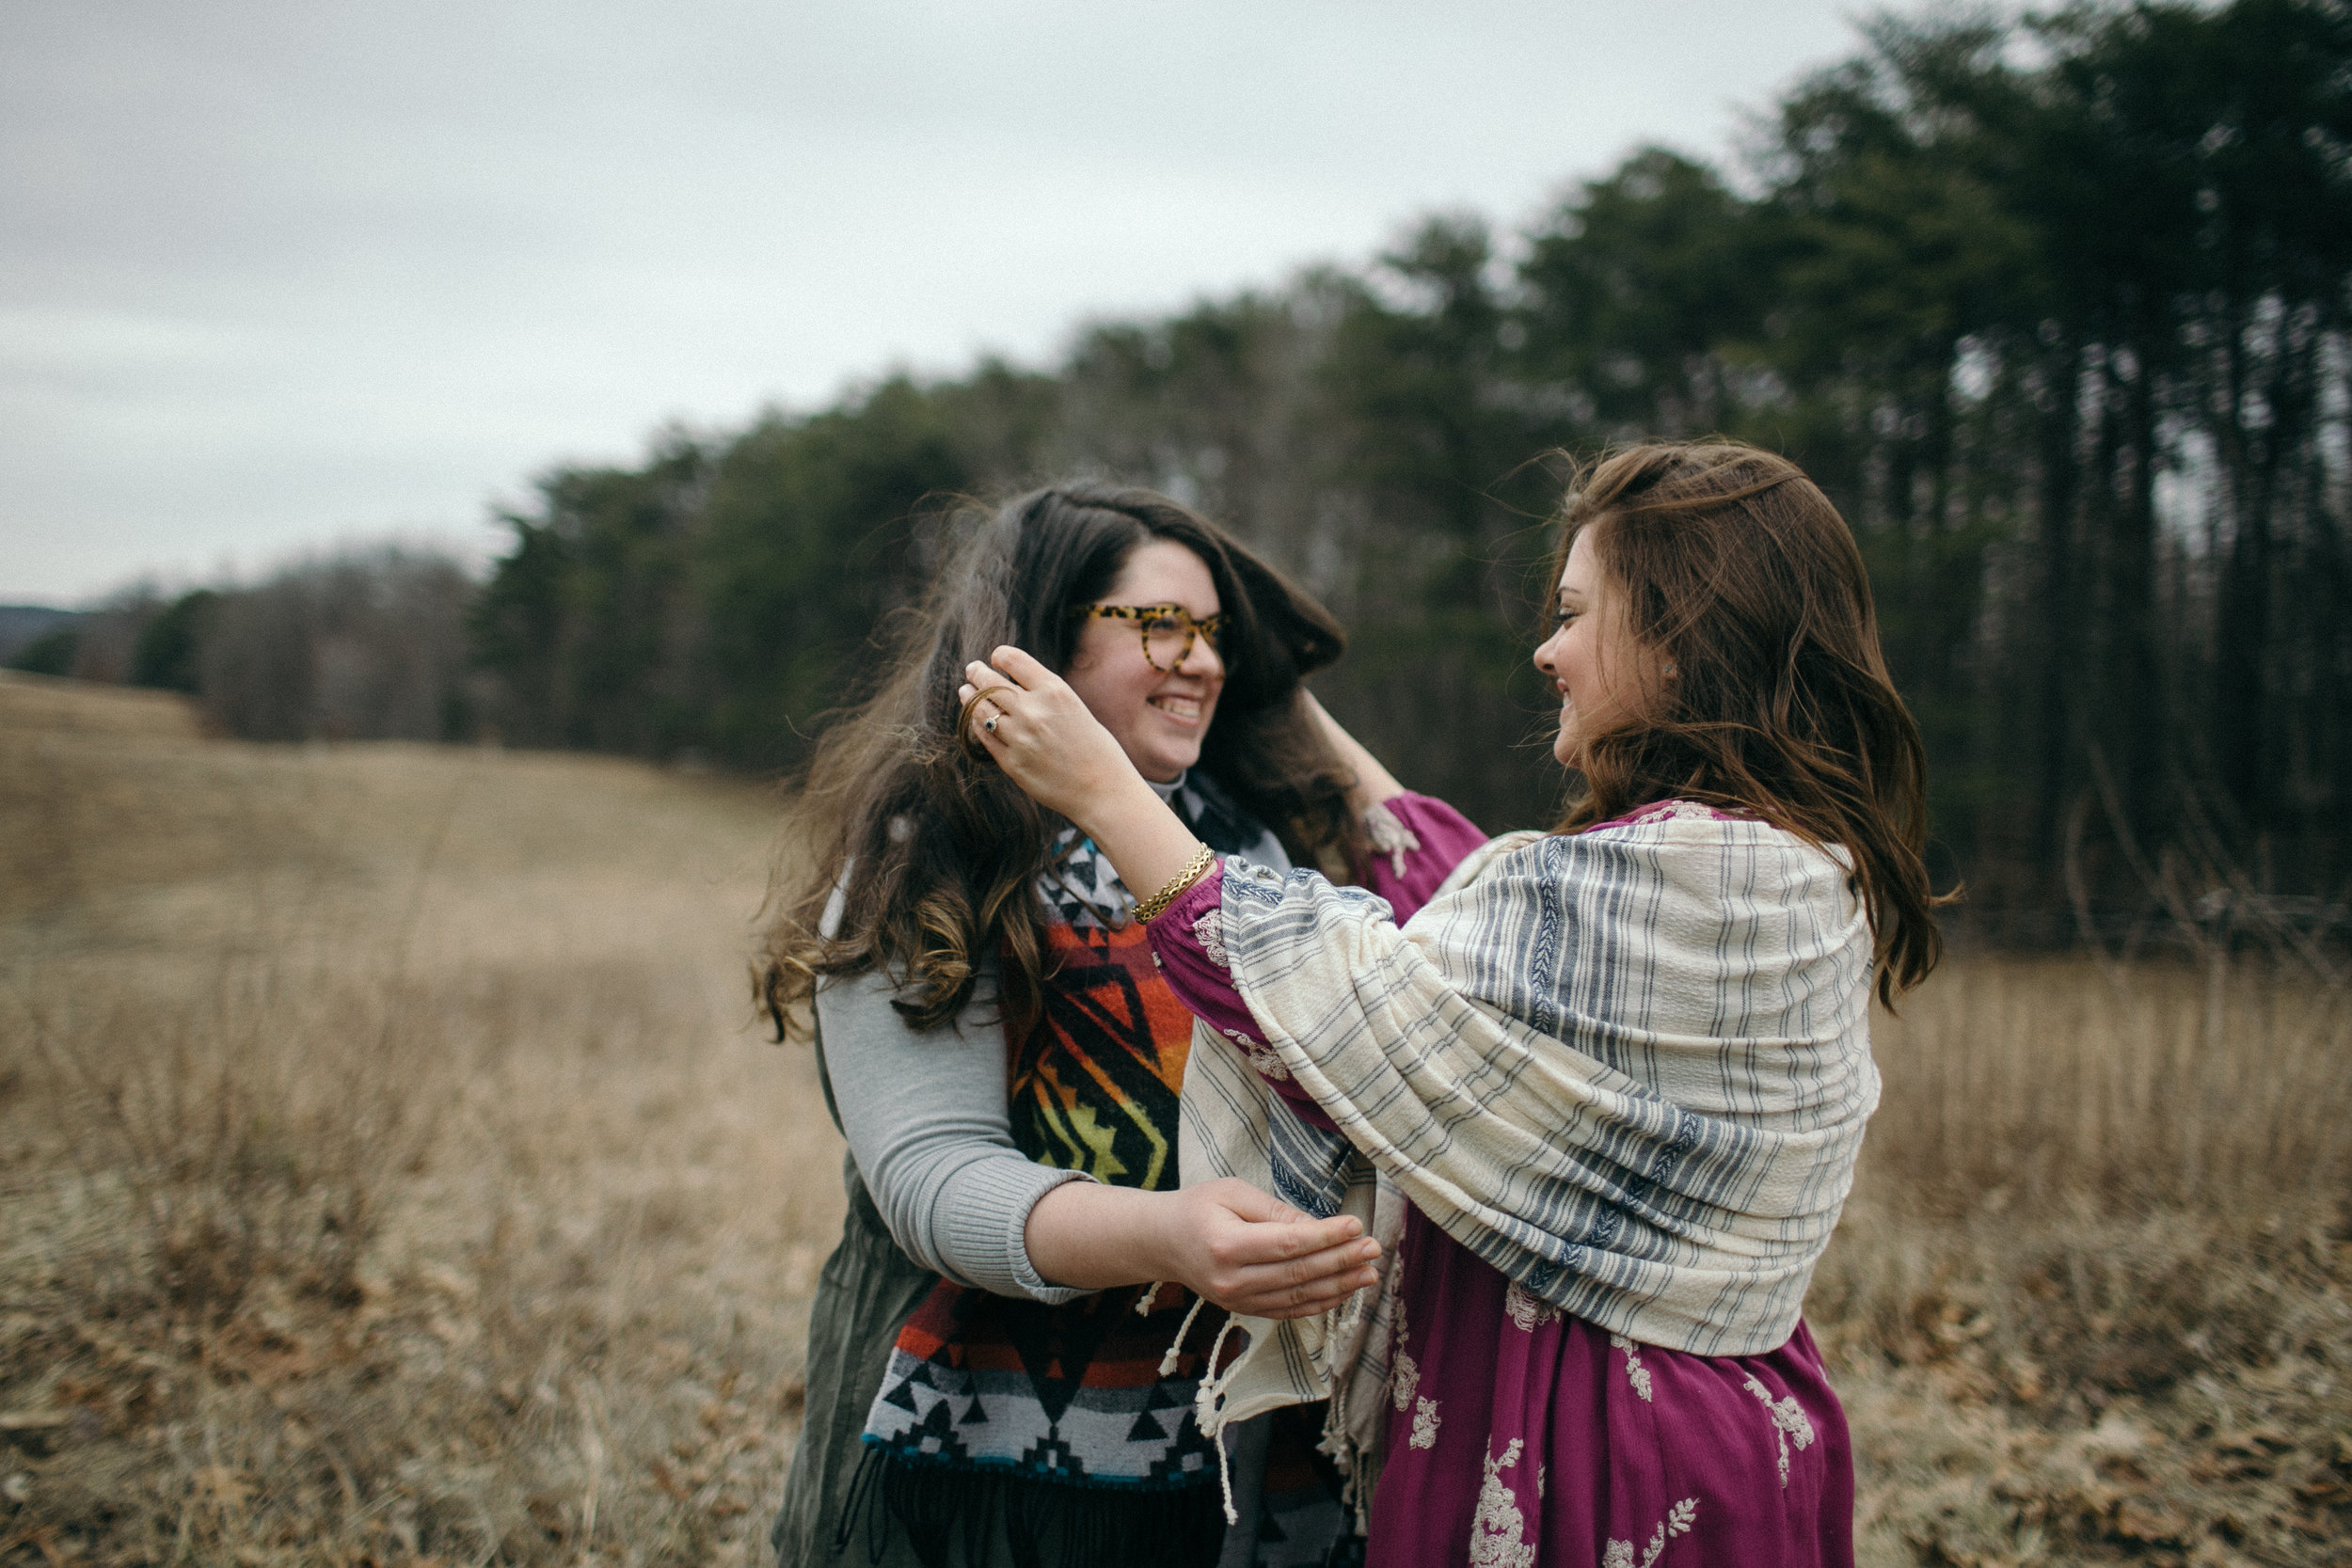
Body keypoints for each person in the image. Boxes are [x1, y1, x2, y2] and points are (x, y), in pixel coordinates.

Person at [958, 442, 1944, 1567]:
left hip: (1602, 1458)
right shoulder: (1787, 866)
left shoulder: (1673, 878)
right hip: (1726, 1430)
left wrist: (1100, 789)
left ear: (1678, 639)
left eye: (1573, 613)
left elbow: (1350, 999)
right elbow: (1469, 940)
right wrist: (1289, 695)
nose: (1546, 648)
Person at [761, 483, 1406, 1568]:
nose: (1201, 660)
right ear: (1043, 641)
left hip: (1232, 1461)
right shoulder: (935, 854)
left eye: (1213, 633)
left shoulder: (1253, 854)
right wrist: (1166, 1236)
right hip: (973, 1466)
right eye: (1158, 623)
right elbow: (931, 1175)